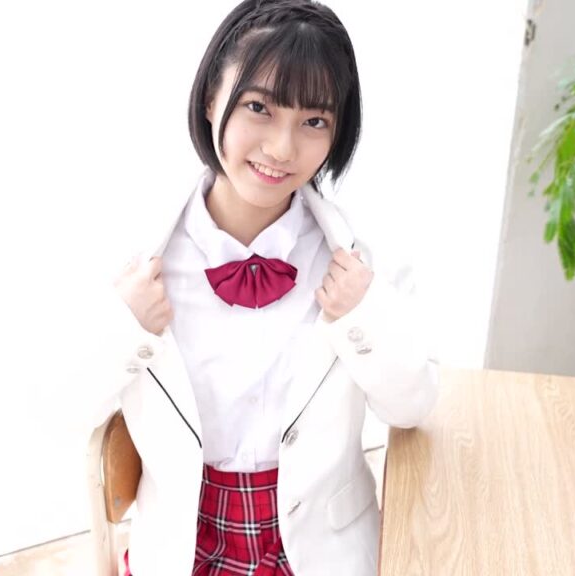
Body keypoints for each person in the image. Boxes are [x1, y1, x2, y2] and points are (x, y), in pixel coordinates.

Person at [88, 1, 440, 573]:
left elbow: (412, 406)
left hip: (322, 554)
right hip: (181, 552)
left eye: (314, 121)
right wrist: (127, 326)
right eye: (259, 108)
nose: (281, 148)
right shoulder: (137, 259)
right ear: (211, 99)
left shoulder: (360, 259)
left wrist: (361, 317)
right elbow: (63, 411)